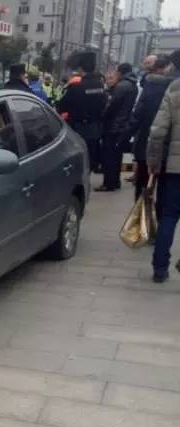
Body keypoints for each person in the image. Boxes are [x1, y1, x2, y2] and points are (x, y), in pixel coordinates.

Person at [148, 49, 180, 283]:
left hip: (174, 169)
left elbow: (158, 132)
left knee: (168, 216)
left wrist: (153, 163)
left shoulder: (174, 89)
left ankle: (160, 268)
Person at [124, 54, 173, 202]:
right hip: (168, 150)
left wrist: (124, 137)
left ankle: (140, 219)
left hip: (148, 142)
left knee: (143, 189)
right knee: (166, 197)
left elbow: (137, 115)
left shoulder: (149, 86)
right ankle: (158, 220)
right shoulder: (169, 88)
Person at [58, 52, 107, 174]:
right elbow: (104, 104)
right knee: (91, 156)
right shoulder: (100, 84)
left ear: (80, 68)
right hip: (96, 127)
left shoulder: (77, 86)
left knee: (79, 158)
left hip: (79, 128)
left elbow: (62, 105)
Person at [97, 63, 138, 192]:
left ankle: (108, 183)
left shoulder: (121, 86)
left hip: (114, 126)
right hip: (123, 125)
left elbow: (112, 106)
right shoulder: (133, 85)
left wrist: (103, 115)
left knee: (109, 155)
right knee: (117, 155)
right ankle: (115, 181)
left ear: (120, 73)